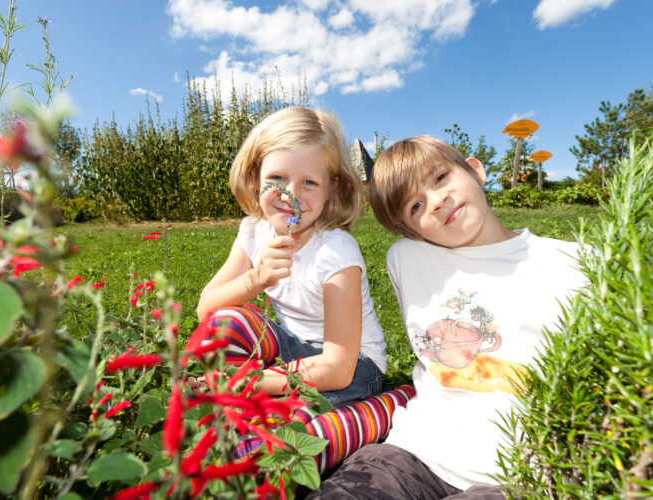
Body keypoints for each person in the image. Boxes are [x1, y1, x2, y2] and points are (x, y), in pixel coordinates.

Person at [309, 136, 587, 499]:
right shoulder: (406, 259)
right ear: (411, 231)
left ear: (475, 170)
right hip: (411, 454)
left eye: (440, 178)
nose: (437, 201)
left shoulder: (575, 262)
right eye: (415, 206)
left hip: (520, 474)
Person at [196, 106, 387, 408]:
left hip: (354, 366)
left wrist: (251, 380)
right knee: (225, 323)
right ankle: (261, 402)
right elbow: (206, 310)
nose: (290, 195)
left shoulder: (335, 251)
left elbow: (337, 368)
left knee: (294, 425)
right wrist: (255, 278)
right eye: (277, 177)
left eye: (309, 182)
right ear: (256, 177)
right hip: (290, 349)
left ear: (331, 189)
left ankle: (377, 409)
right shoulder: (253, 232)